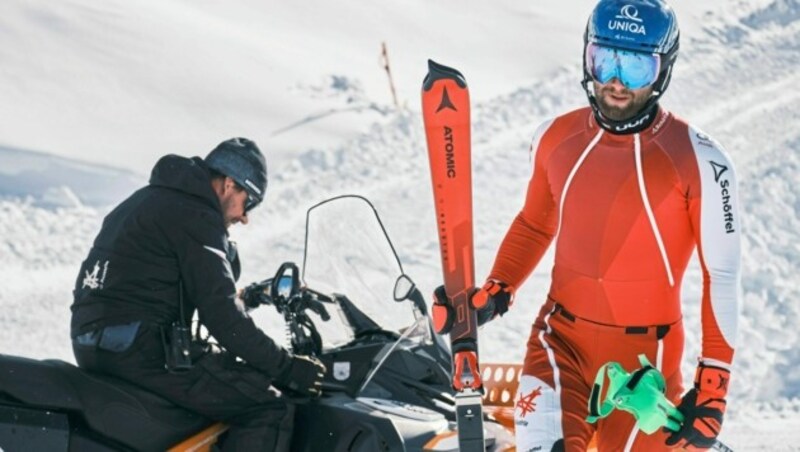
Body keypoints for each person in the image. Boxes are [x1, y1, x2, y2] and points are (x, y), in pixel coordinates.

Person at [432, 0, 741, 450]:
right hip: (560, 344)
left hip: (645, 370)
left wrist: (713, 388)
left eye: (636, 67)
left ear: (663, 70)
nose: (616, 81)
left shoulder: (701, 161)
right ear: (587, 56)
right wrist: (494, 291)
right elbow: (535, 223)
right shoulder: (556, 138)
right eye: (605, 60)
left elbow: (723, 275)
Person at [70, 137, 326, 451]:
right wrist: (287, 368)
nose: (245, 217)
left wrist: (248, 296)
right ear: (229, 184)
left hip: (96, 341)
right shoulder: (196, 215)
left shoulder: (146, 200)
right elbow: (222, 317)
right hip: (140, 348)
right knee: (267, 406)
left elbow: (157, 283)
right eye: (250, 201)